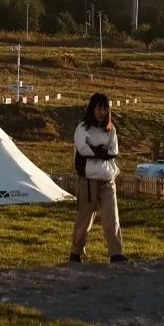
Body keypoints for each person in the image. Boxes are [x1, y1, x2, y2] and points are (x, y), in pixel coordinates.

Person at [70, 92, 128, 263]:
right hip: (89, 180)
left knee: (112, 217)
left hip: (108, 179)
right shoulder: (82, 128)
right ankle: (76, 252)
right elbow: (83, 149)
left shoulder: (111, 129)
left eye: (105, 108)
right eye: (99, 108)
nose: (102, 112)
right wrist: (102, 151)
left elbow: (114, 151)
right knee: (85, 218)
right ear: (92, 109)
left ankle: (116, 253)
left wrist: (98, 151)